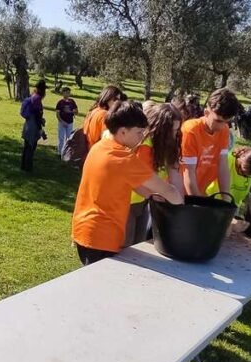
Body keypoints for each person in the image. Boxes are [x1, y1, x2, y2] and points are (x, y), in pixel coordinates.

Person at [72, 101, 183, 265]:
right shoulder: (123, 158)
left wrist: (152, 196)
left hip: (86, 230)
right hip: (102, 237)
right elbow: (169, 191)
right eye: (139, 132)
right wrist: (182, 212)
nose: (142, 137)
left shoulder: (101, 147)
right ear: (123, 131)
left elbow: (136, 185)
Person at [123, 103, 185, 247]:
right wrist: (168, 195)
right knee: (125, 245)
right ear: (159, 128)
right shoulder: (144, 146)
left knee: (139, 243)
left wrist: (181, 205)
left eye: (176, 130)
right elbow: (140, 181)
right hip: (127, 201)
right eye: (170, 131)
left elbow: (174, 175)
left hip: (145, 200)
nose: (174, 135)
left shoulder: (169, 145)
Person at [179, 88, 241, 198]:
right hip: (177, 194)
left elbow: (223, 166)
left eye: (227, 122)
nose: (222, 126)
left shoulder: (224, 130)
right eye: (218, 121)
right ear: (206, 113)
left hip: (198, 192)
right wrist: (198, 203)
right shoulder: (191, 130)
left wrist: (226, 199)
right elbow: (188, 172)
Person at [206, 145, 251, 210]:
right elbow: (207, 177)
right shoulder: (227, 160)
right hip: (212, 200)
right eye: (243, 172)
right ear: (240, 159)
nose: (245, 176)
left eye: (250, 175)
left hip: (233, 205)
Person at [19, 79, 47, 172]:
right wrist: (40, 129)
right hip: (33, 125)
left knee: (27, 146)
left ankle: (23, 166)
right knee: (31, 146)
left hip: (27, 123)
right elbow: (37, 115)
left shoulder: (32, 95)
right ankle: (28, 167)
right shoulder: (37, 98)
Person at [54, 87, 78, 157]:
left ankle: (67, 153)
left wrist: (72, 111)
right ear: (63, 93)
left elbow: (76, 112)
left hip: (70, 122)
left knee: (69, 138)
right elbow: (57, 114)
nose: (68, 94)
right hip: (62, 123)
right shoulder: (60, 103)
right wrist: (62, 122)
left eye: (69, 92)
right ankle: (59, 152)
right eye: (66, 92)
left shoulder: (72, 102)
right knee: (61, 138)